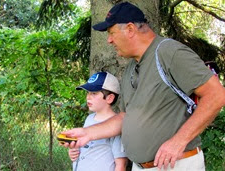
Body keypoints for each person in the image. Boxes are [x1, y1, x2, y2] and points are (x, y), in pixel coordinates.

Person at [62, 2, 225, 171]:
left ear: (130, 29)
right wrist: (87, 134)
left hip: (176, 165)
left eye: (111, 33)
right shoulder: (130, 69)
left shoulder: (168, 52)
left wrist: (179, 140)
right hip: (141, 167)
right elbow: (125, 117)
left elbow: (216, 95)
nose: (109, 40)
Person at [62, 71, 127, 171]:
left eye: (94, 93)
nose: (88, 97)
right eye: (88, 93)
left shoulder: (116, 125)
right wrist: (73, 153)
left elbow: (121, 165)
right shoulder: (89, 118)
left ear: (109, 98)